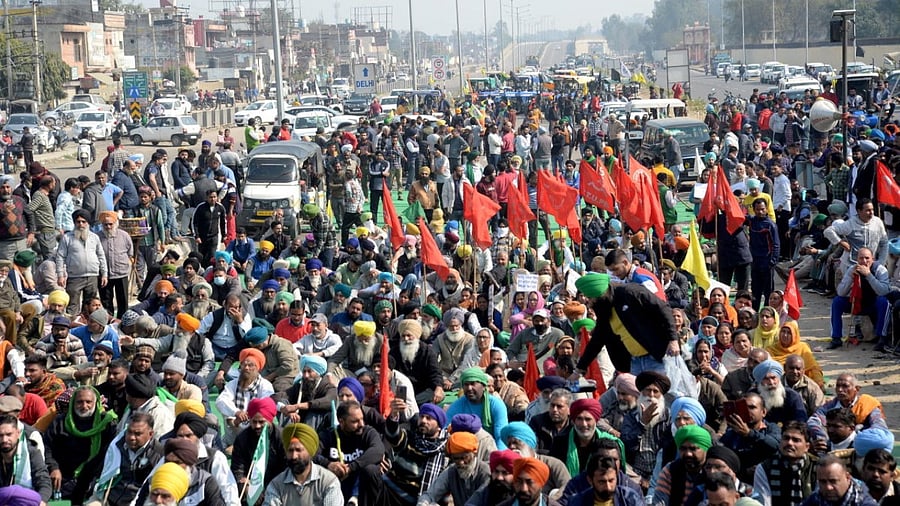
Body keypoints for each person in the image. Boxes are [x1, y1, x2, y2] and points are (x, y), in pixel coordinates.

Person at [572, 273, 680, 376]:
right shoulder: (604, 309)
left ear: (601, 294)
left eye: (591, 298)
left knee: (667, 393)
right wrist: (579, 370)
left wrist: (673, 340)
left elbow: (663, 309)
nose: (589, 302)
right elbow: (597, 341)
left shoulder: (630, 292)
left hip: (657, 357)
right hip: (635, 362)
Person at [43, 385, 118, 501]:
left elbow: (109, 455)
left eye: (88, 402)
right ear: (73, 403)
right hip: (61, 478)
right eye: (79, 402)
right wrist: (53, 467)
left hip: (92, 479)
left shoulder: (106, 424)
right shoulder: (60, 422)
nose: (84, 406)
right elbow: (46, 447)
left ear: (96, 403)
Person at [85, 412, 163, 506]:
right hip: (107, 498)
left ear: (150, 434)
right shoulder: (116, 446)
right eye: (129, 432)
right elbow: (100, 472)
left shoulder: (159, 454)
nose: (131, 437)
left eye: (137, 434)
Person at [381, 403, 450, 505]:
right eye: (422, 417)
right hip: (392, 489)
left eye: (429, 418)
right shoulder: (410, 437)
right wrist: (394, 414)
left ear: (439, 427)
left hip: (417, 499)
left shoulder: (446, 450)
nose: (423, 421)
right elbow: (393, 435)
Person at [264, 423, 344, 505]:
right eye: (290, 450)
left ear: (309, 451)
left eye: (298, 450)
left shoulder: (328, 482)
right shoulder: (276, 485)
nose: (294, 456)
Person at [828, 247, 890, 350]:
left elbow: (883, 291)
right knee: (837, 302)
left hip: (874, 304)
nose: (864, 261)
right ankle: (836, 338)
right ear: (857, 259)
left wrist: (869, 275)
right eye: (861, 258)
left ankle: (882, 338)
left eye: (867, 258)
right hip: (857, 303)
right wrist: (851, 279)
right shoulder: (852, 269)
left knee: (883, 302)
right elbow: (841, 292)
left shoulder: (880, 269)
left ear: (872, 259)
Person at [416, 431, 490, 506]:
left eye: (464, 457)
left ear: (474, 454)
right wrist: (423, 503)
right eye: (456, 458)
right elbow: (430, 494)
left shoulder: (485, 472)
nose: (461, 462)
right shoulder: (451, 471)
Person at [230, 397, 287, 495]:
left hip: (278, 485)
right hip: (251, 485)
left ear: (270, 420)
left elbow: (287, 468)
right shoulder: (242, 439)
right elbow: (237, 468)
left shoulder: (282, 437)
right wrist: (242, 481)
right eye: (254, 422)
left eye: (261, 422)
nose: (257, 426)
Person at [57, 208, 109, 315]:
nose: (81, 224)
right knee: (73, 306)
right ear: (74, 223)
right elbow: (60, 257)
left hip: (92, 276)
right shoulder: (67, 238)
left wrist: (104, 274)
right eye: (78, 222)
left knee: (91, 307)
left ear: (88, 223)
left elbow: (101, 255)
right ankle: (73, 329)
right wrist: (60, 275)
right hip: (74, 277)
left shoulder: (94, 237)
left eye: (83, 222)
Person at [446, 367, 509, 445]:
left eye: (473, 384)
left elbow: (501, 438)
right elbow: (446, 431)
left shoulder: (496, 405)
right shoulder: (457, 405)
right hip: (463, 449)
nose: (469, 388)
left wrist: (498, 456)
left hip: (489, 448)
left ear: (483, 386)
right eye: (466, 384)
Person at [651, 425, 712, 505]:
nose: (688, 454)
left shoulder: (713, 472)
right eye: (683, 449)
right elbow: (659, 502)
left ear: (705, 449)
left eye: (693, 449)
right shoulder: (671, 470)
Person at [567, 454, 644, 506]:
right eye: (601, 482)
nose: (608, 487)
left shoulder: (630, 498)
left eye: (611, 480)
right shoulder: (577, 502)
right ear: (590, 480)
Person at [800, 455, 878, 506]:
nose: (828, 487)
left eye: (833, 481)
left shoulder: (864, 502)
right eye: (822, 482)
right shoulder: (816, 498)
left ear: (848, 478)